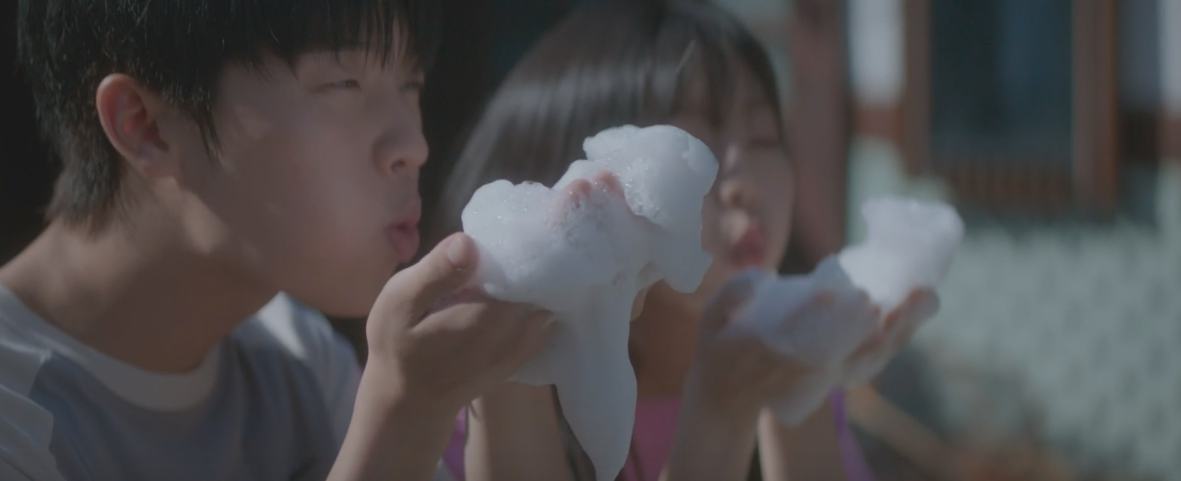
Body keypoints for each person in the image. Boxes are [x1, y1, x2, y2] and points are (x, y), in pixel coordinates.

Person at [0, 1, 555, 480]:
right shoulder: (15, 412)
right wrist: (406, 413)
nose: (413, 145)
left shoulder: (298, 359)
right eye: (343, 83)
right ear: (146, 125)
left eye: (410, 85)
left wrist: (507, 366)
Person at [424, 1, 939, 480]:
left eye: (763, 138)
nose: (743, 183)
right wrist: (721, 410)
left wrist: (798, 392)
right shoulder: (466, 417)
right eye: (690, 147)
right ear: (574, 188)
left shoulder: (794, 375)